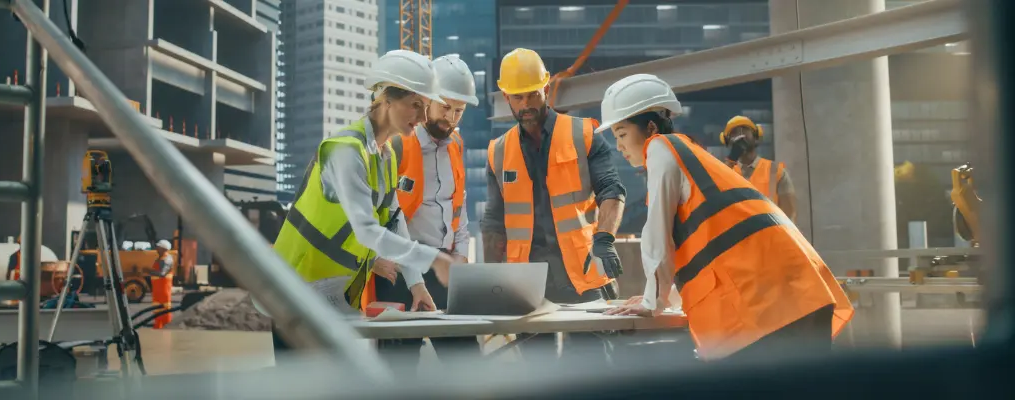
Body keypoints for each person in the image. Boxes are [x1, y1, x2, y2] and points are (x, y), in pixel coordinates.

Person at [598, 73, 854, 361]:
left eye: (622, 134)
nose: (619, 146)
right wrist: (664, 297)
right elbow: (706, 248)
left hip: (770, 304)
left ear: (651, 127)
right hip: (796, 294)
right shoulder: (691, 157)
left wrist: (652, 301)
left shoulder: (660, 148)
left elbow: (657, 234)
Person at [268, 49, 456, 353]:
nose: (423, 118)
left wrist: (417, 285)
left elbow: (394, 222)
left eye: (425, 108)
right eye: (416, 105)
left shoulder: (385, 156)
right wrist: (434, 260)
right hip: (294, 291)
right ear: (387, 100)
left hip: (332, 296)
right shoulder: (345, 150)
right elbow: (367, 231)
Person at [481, 48, 628, 364]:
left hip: (583, 273)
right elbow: (493, 220)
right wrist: (493, 281)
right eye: (517, 97)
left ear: (546, 88)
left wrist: (605, 240)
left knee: (592, 367)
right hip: (528, 282)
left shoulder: (583, 134)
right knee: (539, 373)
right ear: (506, 98)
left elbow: (612, 190)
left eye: (532, 95)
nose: (526, 104)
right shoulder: (498, 151)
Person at [361, 54, 482, 373]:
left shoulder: (456, 144)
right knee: (398, 368)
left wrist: (461, 256)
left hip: (443, 268)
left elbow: (458, 206)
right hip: (400, 272)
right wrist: (375, 258)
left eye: (459, 110)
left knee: (467, 364)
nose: (451, 117)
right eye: (445, 107)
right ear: (426, 99)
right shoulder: (397, 143)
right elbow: (374, 211)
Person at [720, 116, 798, 221]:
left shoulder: (776, 171)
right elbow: (713, 197)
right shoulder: (724, 173)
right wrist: (731, 159)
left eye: (745, 129)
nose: (740, 135)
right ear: (728, 142)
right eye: (734, 132)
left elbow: (790, 213)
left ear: (756, 137)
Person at [150, 239, 175, 329]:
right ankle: (158, 325)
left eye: (158, 247)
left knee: (164, 307)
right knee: (157, 307)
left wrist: (148, 271)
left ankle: (166, 325)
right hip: (158, 289)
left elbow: (162, 274)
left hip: (164, 288)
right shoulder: (160, 259)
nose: (156, 249)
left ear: (164, 249)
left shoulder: (167, 259)